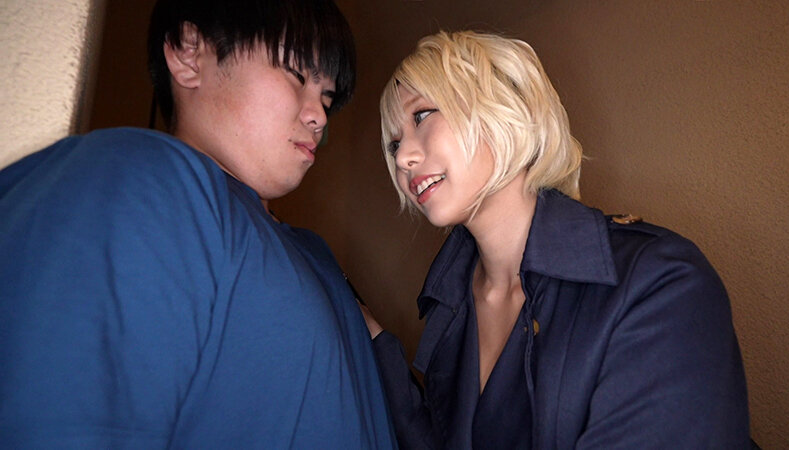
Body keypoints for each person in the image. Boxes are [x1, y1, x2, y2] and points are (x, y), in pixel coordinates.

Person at [0, 0, 396, 447]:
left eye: (327, 96)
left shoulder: (313, 252)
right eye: (297, 75)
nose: (319, 116)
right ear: (190, 54)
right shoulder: (137, 178)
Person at [361, 30, 749, 449]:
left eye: (421, 116)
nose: (403, 158)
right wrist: (368, 337)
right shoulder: (450, 300)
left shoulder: (660, 282)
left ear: (505, 107)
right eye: (394, 144)